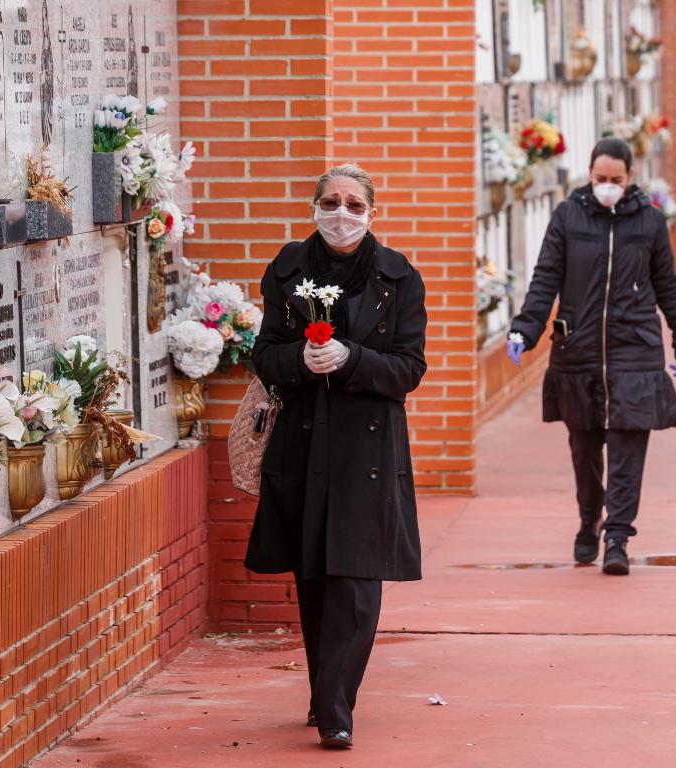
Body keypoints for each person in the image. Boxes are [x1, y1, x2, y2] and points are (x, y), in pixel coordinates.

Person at [246, 164, 427, 749]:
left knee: (356, 576)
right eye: (330, 201)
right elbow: (265, 354)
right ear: (314, 206)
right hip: (304, 443)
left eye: (353, 203)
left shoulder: (400, 278)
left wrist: (351, 361)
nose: (341, 213)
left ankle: (335, 708)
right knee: (315, 576)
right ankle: (327, 689)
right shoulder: (288, 269)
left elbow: (409, 368)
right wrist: (303, 358)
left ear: (371, 211)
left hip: (367, 447)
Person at [508, 138, 676, 576]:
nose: (607, 187)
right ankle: (589, 517)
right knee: (585, 449)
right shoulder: (568, 216)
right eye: (600, 179)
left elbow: (667, 282)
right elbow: (546, 278)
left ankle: (617, 537)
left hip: (635, 350)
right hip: (579, 351)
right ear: (588, 175)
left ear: (630, 178)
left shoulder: (650, 220)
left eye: (616, 180)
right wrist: (525, 327)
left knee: (629, 448)